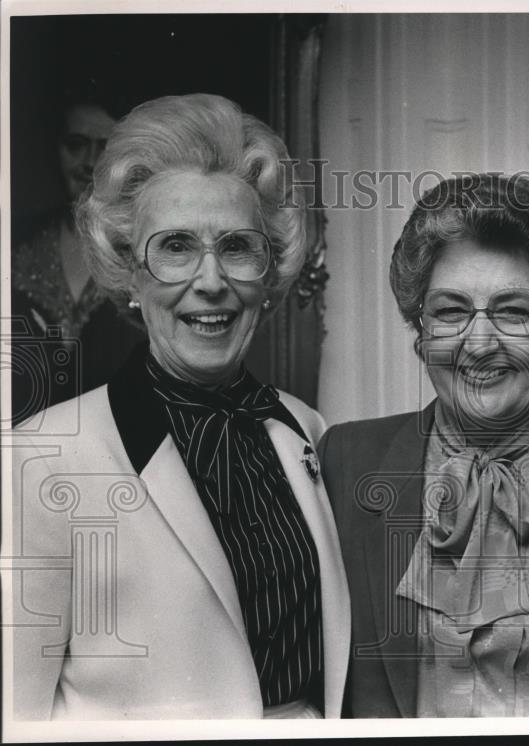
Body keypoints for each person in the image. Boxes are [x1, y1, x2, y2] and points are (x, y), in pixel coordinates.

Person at [7, 94, 350, 719]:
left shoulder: (305, 429)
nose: (211, 279)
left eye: (238, 247)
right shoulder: (39, 458)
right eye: (175, 247)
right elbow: (15, 717)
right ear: (129, 275)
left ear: (268, 277)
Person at [319, 174, 529, 717]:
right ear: (421, 331)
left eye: (515, 312)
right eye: (451, 311)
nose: (479, 344)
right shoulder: (344, 461)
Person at [10, 84, 145, 424]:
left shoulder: (147, 252)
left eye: (105, 148)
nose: (89, 163)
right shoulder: (15, 244)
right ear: (55, 149)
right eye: (76, 146)